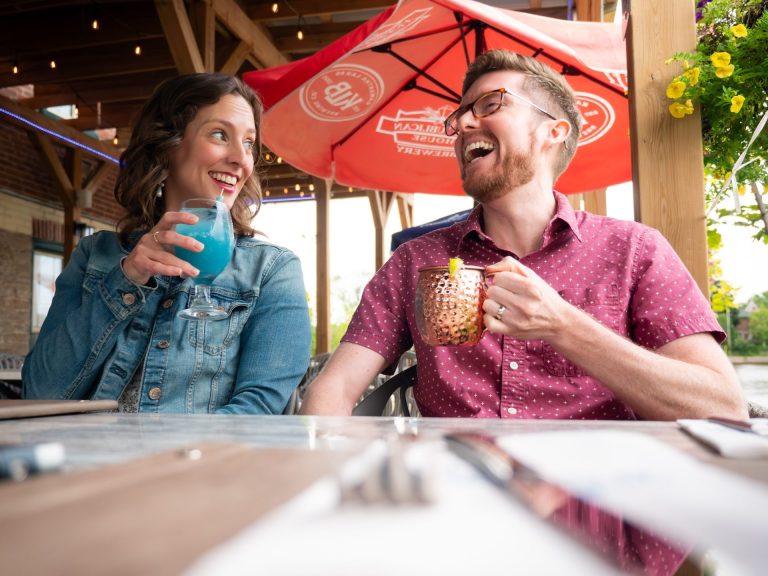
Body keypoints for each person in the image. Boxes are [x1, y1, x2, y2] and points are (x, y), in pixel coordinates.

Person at [301, 50, 747, 421]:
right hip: (454, 505)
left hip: (600, 514)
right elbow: (334, 390)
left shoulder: (635, 251)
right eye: (458, 117)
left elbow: (723, 408)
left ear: (553, 131)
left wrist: (564, 325)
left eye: (491, 104)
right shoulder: (415, 261)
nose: (463, 126)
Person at [23, 73, 312, 414]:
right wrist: (126, 280)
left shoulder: (271, 271)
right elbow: (40, 392)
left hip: (196, 465)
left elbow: (257, 411)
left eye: (249, 143)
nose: (241, 158)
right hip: (86, 462)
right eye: (220, 134)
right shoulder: (95, 256)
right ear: (169, 144)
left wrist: (168, 458)